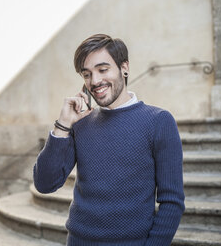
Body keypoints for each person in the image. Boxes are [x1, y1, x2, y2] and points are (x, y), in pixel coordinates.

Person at [33, 34, 185, 246]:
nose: (95, 81)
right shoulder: (80, 123)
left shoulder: (159, 121)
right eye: (87, 74)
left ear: (124, 68)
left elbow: (172, 202)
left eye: (103, 70)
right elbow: (45, 183)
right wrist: (63, 125)